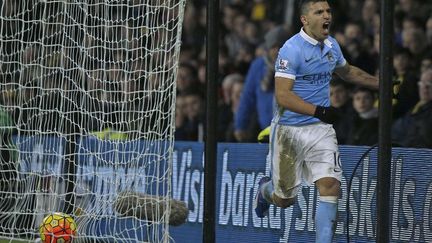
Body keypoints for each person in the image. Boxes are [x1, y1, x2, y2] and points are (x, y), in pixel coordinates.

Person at [253, 1, 379, 242]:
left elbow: (348, 72)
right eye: (319, 12)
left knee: (331, 186)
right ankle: (264, 190)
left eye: (328, 11)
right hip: (289, 131)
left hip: (320, 130)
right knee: (285, 199)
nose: (326, 16)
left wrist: (381, 84)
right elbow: (283, 95)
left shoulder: (331, 45)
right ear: (304, 19)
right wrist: (318, 111)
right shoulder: (291, 50)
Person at [234, 25, 291, 142]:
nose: (277, 50)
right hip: (266, 132)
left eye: (281, 46)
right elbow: (247, 97)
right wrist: (240, 125)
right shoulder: (258, 66)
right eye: (273, 47)